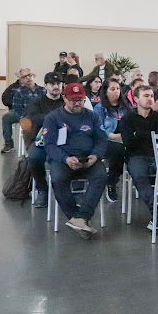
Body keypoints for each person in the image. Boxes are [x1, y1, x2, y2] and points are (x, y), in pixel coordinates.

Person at [42, 82, 108, 239]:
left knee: (101, 176)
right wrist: (65, 159)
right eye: (73, 100)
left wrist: (96, 156)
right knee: (58, 179)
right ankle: (75, 217)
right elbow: (49, 145)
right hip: (63, 160)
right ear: (64, 98)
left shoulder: (92, 116)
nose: (77, 103)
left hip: (88, 158)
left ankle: (82, 217)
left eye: (80, 100)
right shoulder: (53, 118)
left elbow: (102, 140)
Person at [118, 85, 158, 232]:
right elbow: (128, 142)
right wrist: (151, 135)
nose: (150, 98)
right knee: (140, 176)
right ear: (136, 99)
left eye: (151, 96)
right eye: (146, 96)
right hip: (136, 155)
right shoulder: (127, 118)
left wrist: (138, 134)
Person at [24, 73, 65, 208]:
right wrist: (56, 118)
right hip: (42, 141)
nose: (56, 86)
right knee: (34, 157)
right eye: (52, 84)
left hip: (64, 142)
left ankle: (71, 190)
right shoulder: (37, 101)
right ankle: (42, 189)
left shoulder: (66, 101)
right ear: (46, 85)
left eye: (58, 84)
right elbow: (33, 117)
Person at [94, 79, 131, 202]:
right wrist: (113, 136)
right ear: (105, 91)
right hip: (106, 141)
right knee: (118, 150)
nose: (116, 92)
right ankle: (112, 182)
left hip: (125, 139)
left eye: (118, 89)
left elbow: (132, 123)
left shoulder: (126, 107)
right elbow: (99, 129)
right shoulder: (100, 108)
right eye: (112, 89)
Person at [1, 68, 45, 153]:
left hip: (39, 115)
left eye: (29, 75)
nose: (28, 78)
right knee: (7, 117)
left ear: (33, 76)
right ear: (21, 79)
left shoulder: (42, 90)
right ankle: (9, 143)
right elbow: (17, 108)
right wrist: (25, 117)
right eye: (25, 77)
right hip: (24, 114)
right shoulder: (19, 91)